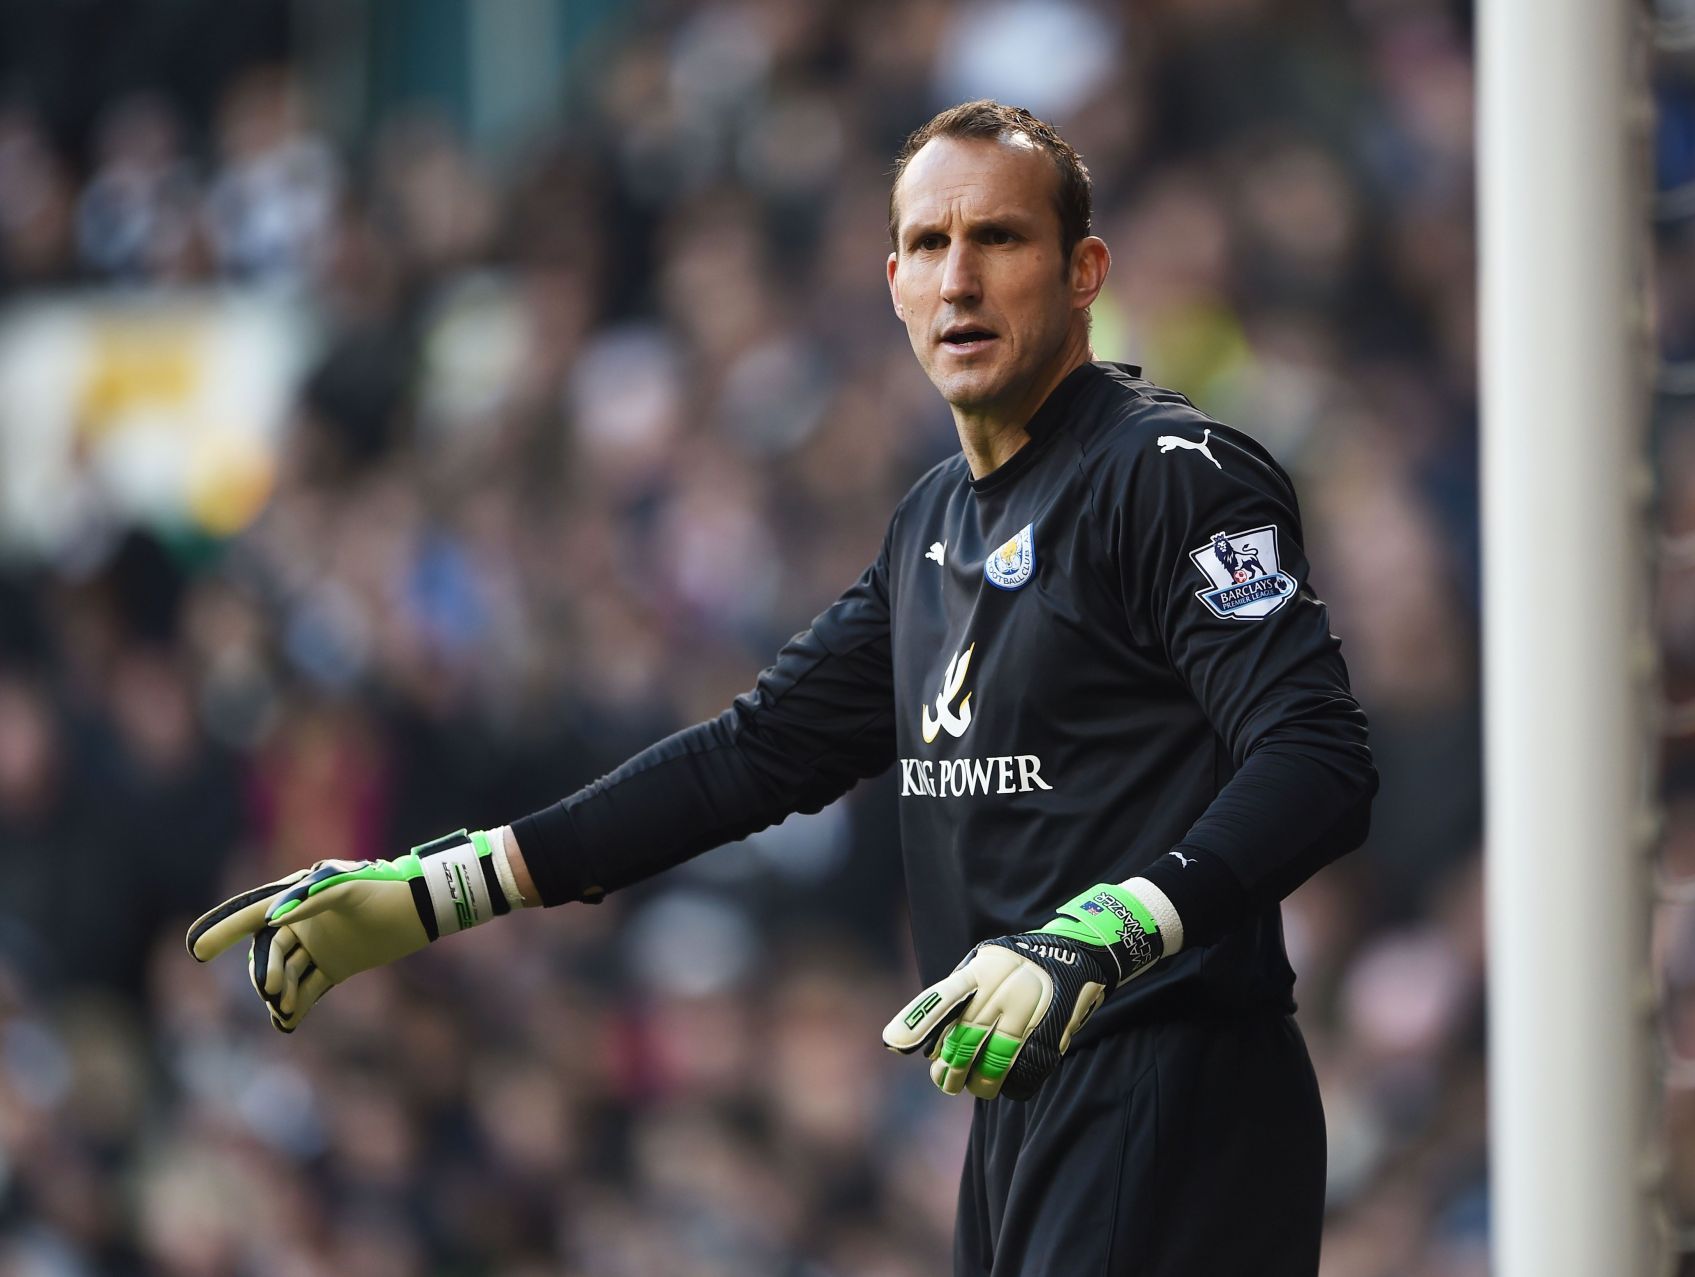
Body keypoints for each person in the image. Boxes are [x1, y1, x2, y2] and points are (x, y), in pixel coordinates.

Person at [188, 100, 1376, 1274]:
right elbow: (755, 754)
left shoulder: (1170, 478)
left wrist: (1111, 928)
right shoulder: (932, 527)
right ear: (895, 284)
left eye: (999, 239)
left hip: (1175, 1083)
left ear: (1085, 274)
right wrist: (447, 885)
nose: (958, 279)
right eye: (927, 246)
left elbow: (1317, 758)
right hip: (1027, 1102)